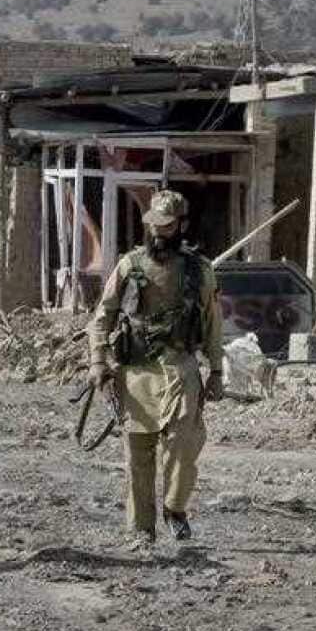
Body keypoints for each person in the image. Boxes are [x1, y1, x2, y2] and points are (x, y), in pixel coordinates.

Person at [87, 190, 223, 548]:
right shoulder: (129, 266)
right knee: (137, 455)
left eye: (166, 227)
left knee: (183, 448)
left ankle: (175, 509)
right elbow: (101, 318)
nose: (158, 233)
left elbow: (212, 323)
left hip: (181, 370)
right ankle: (141, 529)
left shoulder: (200, 270)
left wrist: (218, 372)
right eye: (154, 226)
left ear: (182, 225)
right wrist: (98, 363)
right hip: (135, 373)